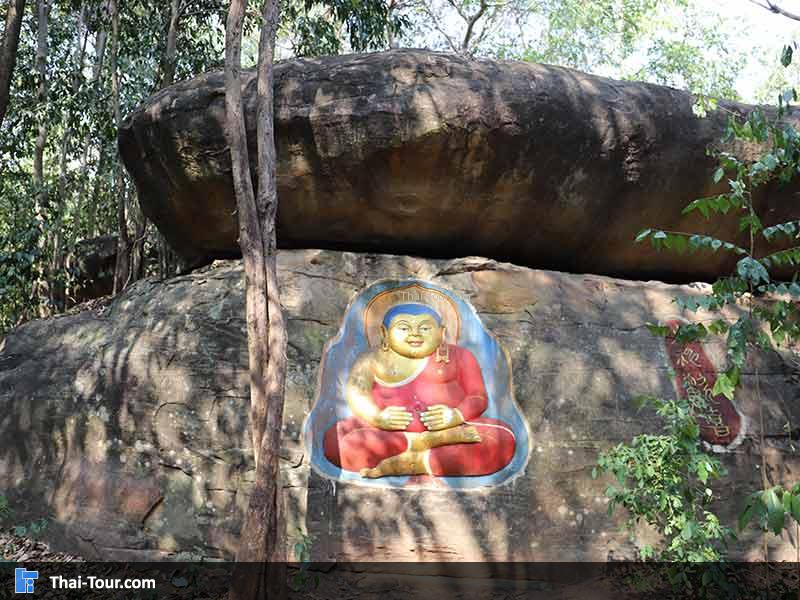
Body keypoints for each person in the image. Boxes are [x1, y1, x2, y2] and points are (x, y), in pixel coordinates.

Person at [323, 303, 516, 478]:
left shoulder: (460, 356)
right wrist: (377, 418)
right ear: (385, 333)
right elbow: (358, 394)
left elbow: (478, 397)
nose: (415, 334)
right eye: (404, 327)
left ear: (441, 332)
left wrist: (455, 415)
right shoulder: (371, 359)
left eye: (424, 328)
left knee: (502, 440)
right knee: (336, 443)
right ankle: (423, 443)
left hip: (454, 430)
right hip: (390, 434)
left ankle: (412, 462)